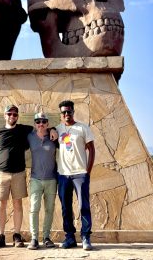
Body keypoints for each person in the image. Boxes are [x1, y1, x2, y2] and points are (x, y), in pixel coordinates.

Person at [0, 105, 57, 249]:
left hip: (19, 173)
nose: (12, 116)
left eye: (14, 114)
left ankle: (17, 235)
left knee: (17, 204)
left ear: (17, 116)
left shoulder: (23, 129)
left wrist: (53, 129)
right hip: (2, 173)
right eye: (9, 114)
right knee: (1, 204)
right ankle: (1, 236)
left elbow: (42, 129)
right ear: (5, 115)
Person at [56, 100, 95, 251]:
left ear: (73, 112)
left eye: (69, 111)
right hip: (63, 174)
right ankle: (70, 237)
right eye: (64, 112)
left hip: (80, 174)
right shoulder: (57, 129)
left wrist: (88, 171)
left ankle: (86, 237)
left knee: (83, 206)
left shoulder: (83, 128)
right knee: (66, 208)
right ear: (61, 114)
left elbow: (91, 149)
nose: (67, 114)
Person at [27, 112, 58, 250]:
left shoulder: (53, 137)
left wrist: (54, 130)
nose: (41, 124)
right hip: (35, 179)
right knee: (34, 209)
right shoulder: (30, 136)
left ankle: (46, 237)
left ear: (47, 123)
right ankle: (34, 238)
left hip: (51, 179)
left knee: (49, 210)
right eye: (38, 121)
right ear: (35, 124)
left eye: (44, 122)